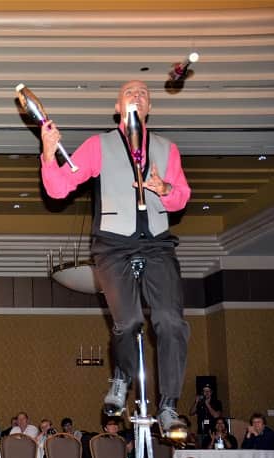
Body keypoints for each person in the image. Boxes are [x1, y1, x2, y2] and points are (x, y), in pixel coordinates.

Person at [40, 80, 191, 431]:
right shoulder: (99, 146)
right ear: (118, 107)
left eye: (144, 93)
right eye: (130, 93)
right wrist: (49, 152)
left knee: (171, 322)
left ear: (149, 107)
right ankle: (121, 378)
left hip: (156, 242)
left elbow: (181, 196)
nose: (137, 95)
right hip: (113, 245)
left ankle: (168, 405)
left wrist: (165, 189)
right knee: (129, 322)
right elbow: (59, 187)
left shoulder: (168, 149)